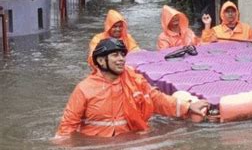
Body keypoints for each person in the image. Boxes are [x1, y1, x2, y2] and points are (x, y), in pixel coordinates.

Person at [55, 38, 208, 138]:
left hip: (131, 141)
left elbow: (157, 99)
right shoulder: (84, 89)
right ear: (101, 61)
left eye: (122, 55)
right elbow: (67, 126)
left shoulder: (135, 80)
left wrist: (188, 107)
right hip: (97, 146)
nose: (121, 59)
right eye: (115, 55)